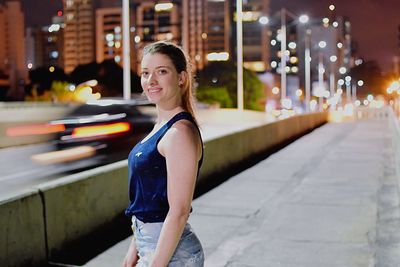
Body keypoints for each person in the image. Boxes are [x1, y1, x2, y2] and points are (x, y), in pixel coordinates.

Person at [122, 41, 204, 267]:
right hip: (151, 245)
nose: (151, 81)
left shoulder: (180, 132)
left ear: (181, 78)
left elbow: (178, 211)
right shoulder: (162, 126)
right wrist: (134, 250)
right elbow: (148, 200)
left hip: (172, 255)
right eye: (146, 73)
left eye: (162, 71)